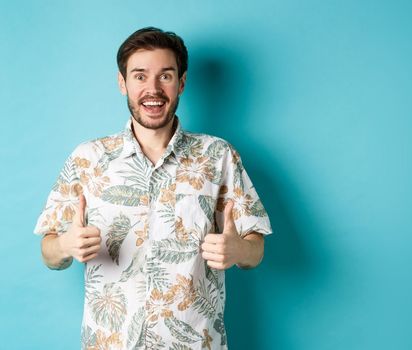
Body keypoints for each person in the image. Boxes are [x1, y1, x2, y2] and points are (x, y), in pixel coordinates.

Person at [34, 27, 273, 349]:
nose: (153, 89)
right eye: (140, 76)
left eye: (165, 76)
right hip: (110, 342)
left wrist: (239, 250)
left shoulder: (219, 156)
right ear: (123, 83)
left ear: (182, 83)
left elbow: (254, 250)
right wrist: (64, 245)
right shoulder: (87, 158)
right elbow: (49, 253)